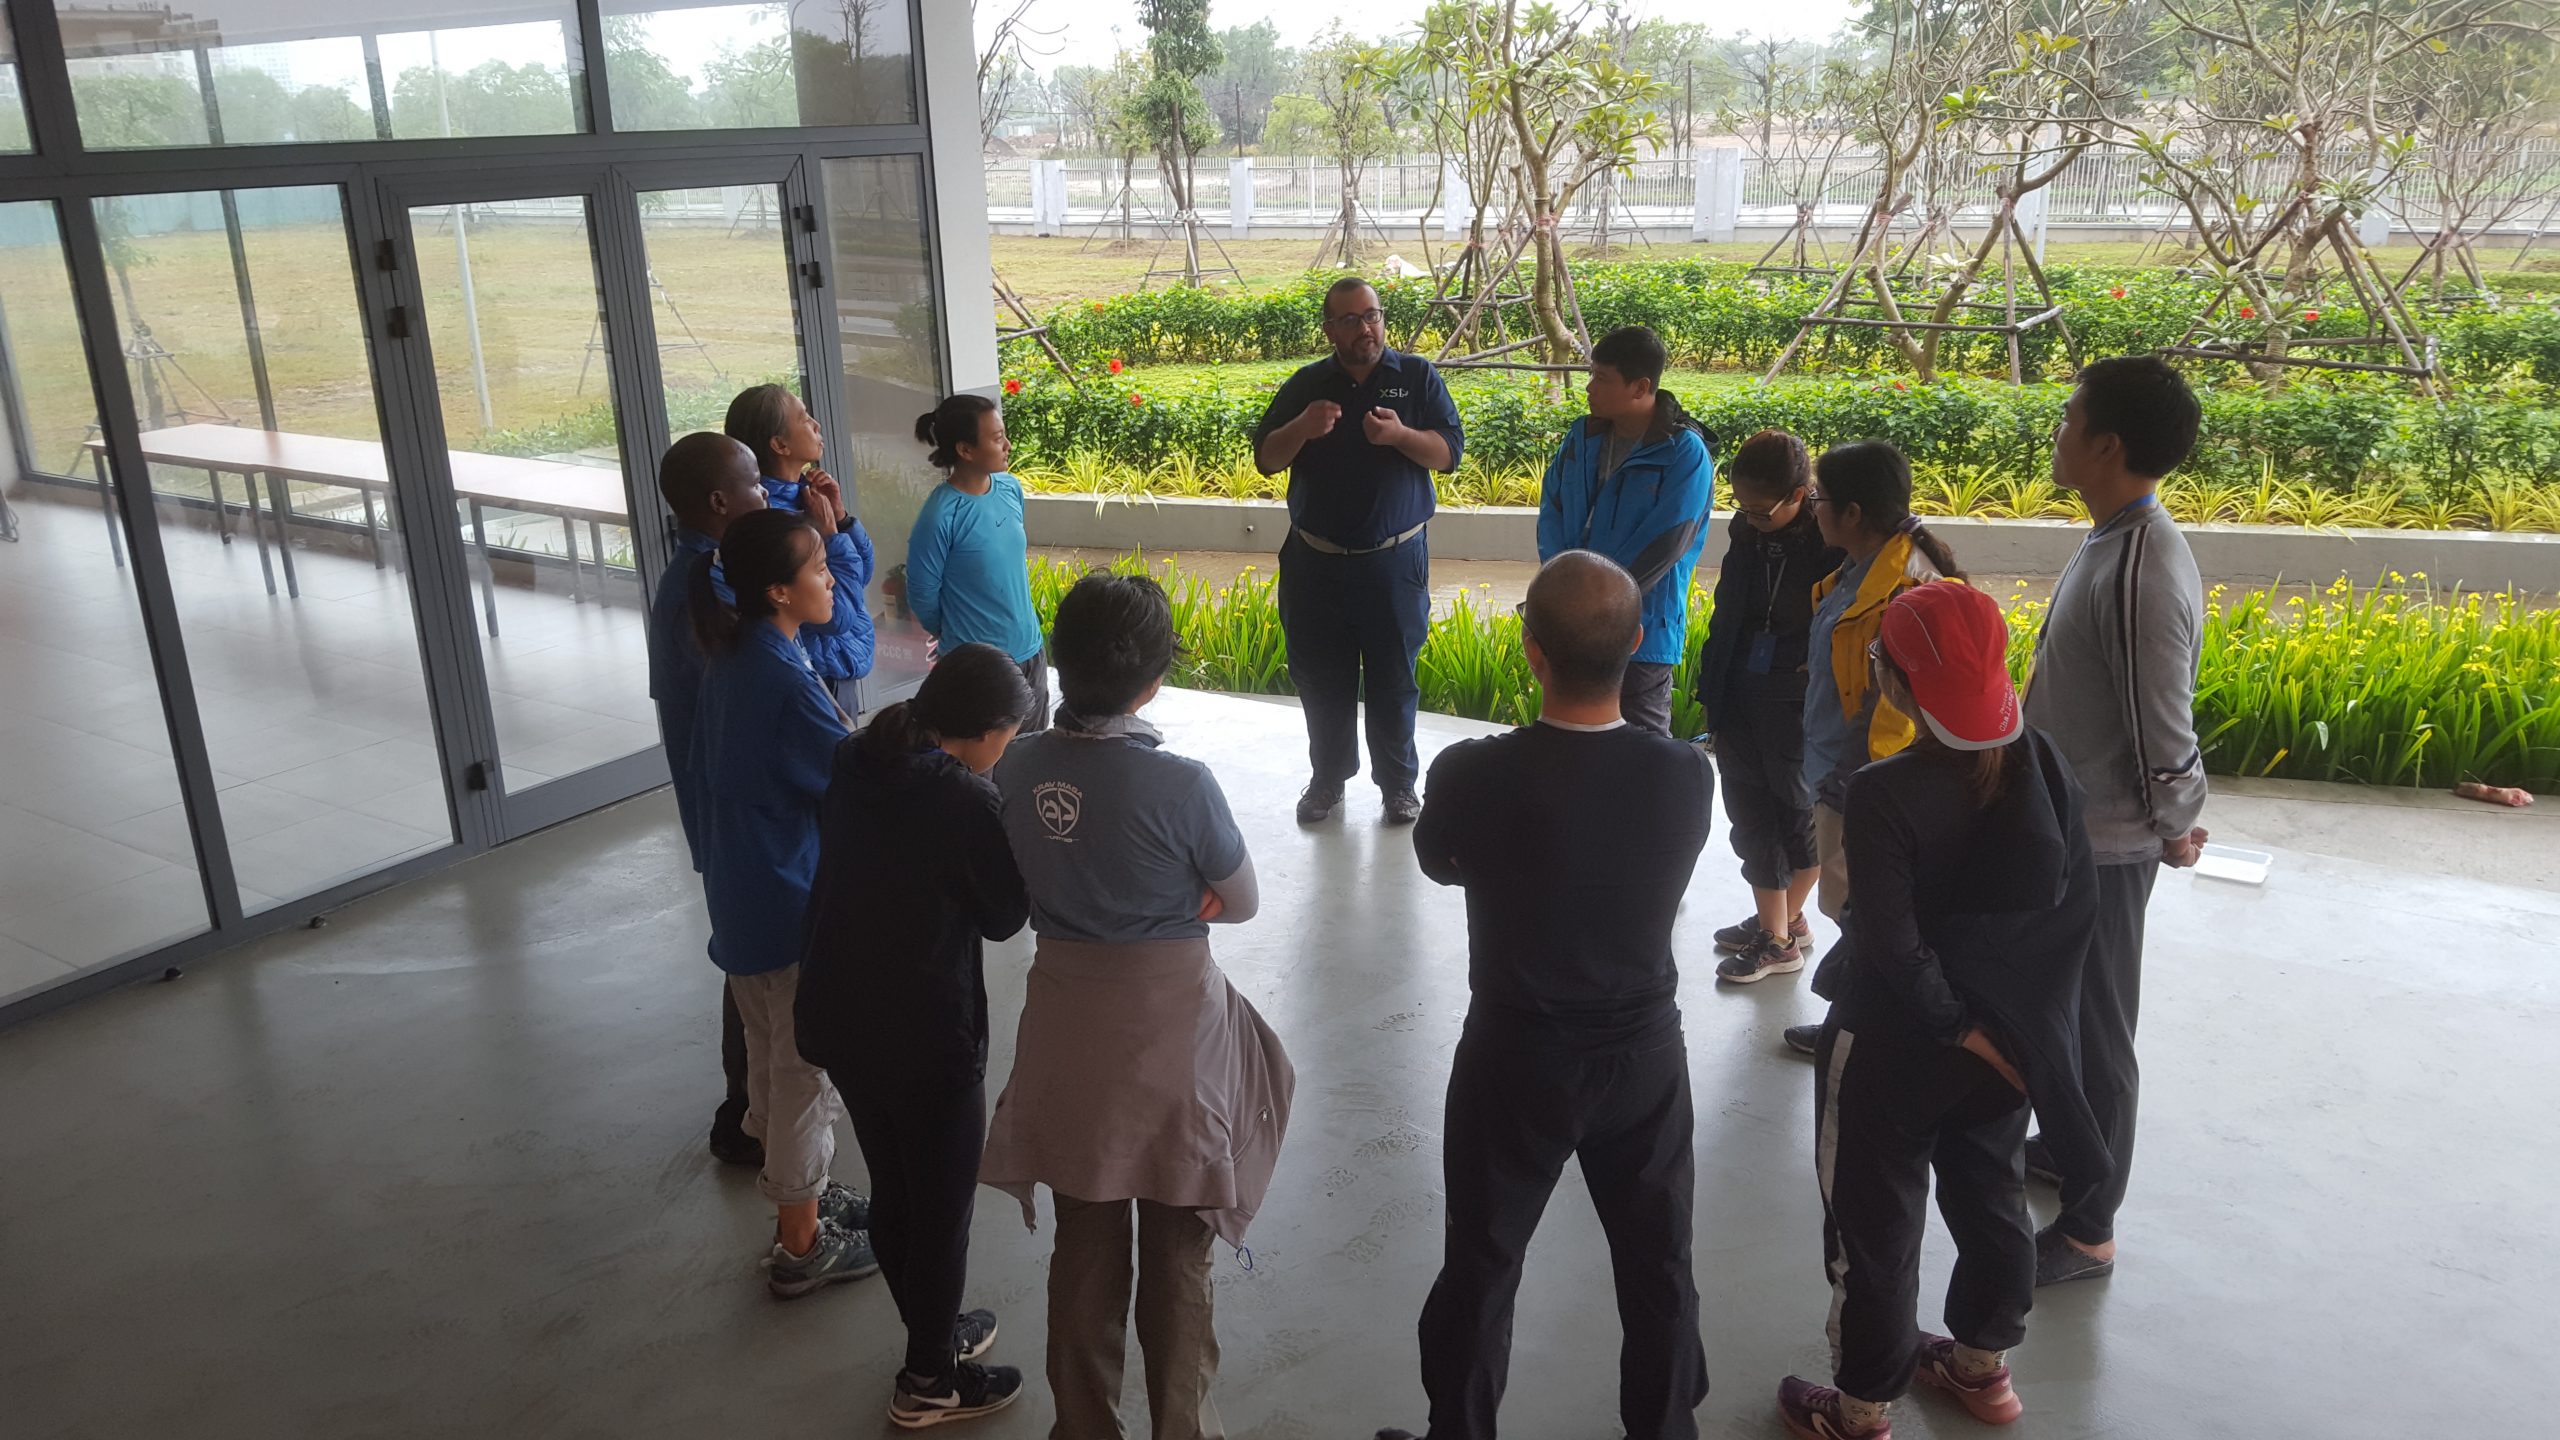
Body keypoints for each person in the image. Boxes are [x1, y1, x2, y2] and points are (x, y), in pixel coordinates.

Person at [1377, 551, 1716, 1440]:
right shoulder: (1686, 774)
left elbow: (1440, 862)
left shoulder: (1471, 774)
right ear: (1638, 642)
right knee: (1660, 1265)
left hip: (1516, 1052)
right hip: (1644, 1053)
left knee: (1483, 1264)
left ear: (1529, 650)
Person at [1777, 581, 2106, 1440]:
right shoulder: (2048, 767)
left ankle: (1859, 1411)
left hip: (1892, 1049)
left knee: (1874, 1228)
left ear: (1894, 682)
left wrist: (1951, 1022)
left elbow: (1891, 943)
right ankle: (1980, 1367)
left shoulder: (1886, 791)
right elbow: (2072, 920)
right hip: (2003, 1051)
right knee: (1992, 1194)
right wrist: (2010, 1036)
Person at [979, 572, 1291, 1440]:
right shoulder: (1182, 785)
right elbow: (1244, 900)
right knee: (1179, 1242)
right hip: (1170, 1041)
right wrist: (1185, 899)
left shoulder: (1018, 763)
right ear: (1154, 682)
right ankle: (1181, 1430)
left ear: (1061, 663)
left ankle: (1081, 1427)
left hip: (1066, 1028)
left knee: (1083, 1235)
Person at [800, 643, 1037, 1428]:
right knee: (940, 1210)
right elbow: (1005, 919)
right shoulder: (962, 799)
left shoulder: (859, 755)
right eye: (1009, 735)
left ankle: (931, 1336)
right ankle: (930, 1378)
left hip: (842, 1012)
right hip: (924, 1030)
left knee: (897, 1189)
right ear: (985, 730)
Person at [2019, 355, 2211, 1287]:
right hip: (2070, 829)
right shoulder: (2112, 538)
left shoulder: (2139, 567)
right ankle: (2064, 1151)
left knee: (2099, 1033)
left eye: (2069, 418)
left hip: (2109, 844)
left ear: (2107, 445)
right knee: (2060, 1015)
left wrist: (2178, 822)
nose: (2056, 430)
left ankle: (2090, 1229)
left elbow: (2160, 720)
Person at [687, 506, 875, 1297]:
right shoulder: (779, 679)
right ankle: (800, 1245)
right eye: (819, 571)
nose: (831, 579)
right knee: (803, 1076)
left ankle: (800, 1193)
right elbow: (850, 782)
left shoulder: (736, 657)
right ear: (777, 590)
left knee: (769, 1060)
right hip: (790, 906)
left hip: (742, 900)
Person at [1252, 277, 1465, 826]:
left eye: (1371, 315)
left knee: (1395, 678)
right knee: (1322, 679)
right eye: (1349, 319)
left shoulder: (1416, 376)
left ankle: (1398, 786)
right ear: (1329, 329)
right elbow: (1267, 459)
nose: (1365, 327)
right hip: (1314, 562)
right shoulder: (1307, 384)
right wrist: (1302, 425)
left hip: (1394, 563)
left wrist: (1401, 437)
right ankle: (1328, 780)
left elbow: (1447, 454)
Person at [1779, 442, 1965, 1059]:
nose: (1814, 511)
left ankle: (1870, 1030)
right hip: (1839, 770)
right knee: (1855, 911)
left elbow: (1890, 710)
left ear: (1854, 512)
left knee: (1865, 912)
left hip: (1862, 779)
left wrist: (1852, 783)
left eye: (1821, 500)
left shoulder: (1906, 586)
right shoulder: (1865, 569)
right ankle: (1852, 1022)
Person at [642, 432, 768, 1169]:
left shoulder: (701, 574)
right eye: (754, 485)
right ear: (721, 502)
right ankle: (745, 1109)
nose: (764, 495)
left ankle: (754, 1103)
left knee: (753, 957)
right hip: (733, 814)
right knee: (753, 959)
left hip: (726, 809)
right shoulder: (706, 586)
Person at [1691, 430, 1842, 984]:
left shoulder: (1833, 543)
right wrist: (1712, 690)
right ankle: (1779, 925)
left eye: (1762, 509)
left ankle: (1777, 935)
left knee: (1797, 812)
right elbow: (1726, 614)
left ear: (1801, 495)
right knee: (1748, 812)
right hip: (1741, 689)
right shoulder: (1746, 535)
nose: (1749, 517)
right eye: (1741, 506)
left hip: (1798, 699)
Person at [1534, 325, 1716, 737]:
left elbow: (1666, 542)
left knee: (1643, 746)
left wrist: (1601, 607)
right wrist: (1564, 587)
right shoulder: (1582, 437)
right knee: (1570, 737)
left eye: (1601, 378)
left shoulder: (1683, 453)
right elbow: (1553, 511)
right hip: (1572, 623)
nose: (1588, 387)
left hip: (1642, 631)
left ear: (1641, 387)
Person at [724, 383, 878, 714]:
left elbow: (862, 573)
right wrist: (831, 536)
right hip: (820, 672)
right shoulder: (774, 521)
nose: (816, 425)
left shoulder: (806, 495)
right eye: (804, 418)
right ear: (779, 444)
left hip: (837, 660)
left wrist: (842, 519)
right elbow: (836, 618)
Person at [907, 394, 1050, 734]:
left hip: (1030, 650)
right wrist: (959, 632)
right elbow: (922, 594)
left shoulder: (1009, 488)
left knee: (1029, 759)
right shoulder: (940, 515)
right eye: (997, 438)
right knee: (988, 769)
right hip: (980, 668)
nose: (1008, 445)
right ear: (965, 450)